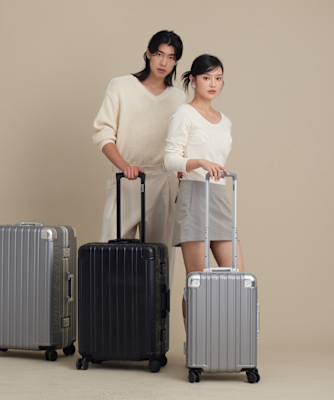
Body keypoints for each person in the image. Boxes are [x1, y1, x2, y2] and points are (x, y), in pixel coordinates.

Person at [92, 30, 186, 285]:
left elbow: (181, 144)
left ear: (176, 62)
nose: (163, 62)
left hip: (163, 181)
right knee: (110, 256)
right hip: (125, 177)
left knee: (158, 262)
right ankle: (109, 310)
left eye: (171, 57)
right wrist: (125, 166)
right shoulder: (121, 86)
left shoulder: (178, 98)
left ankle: (154, 311)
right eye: (159, 54)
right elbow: (103, 133)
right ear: (148, 53)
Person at [164, 54, 245, 321]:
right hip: (194, 196)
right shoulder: (184, 113)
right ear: (193, 80)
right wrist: (199, 162)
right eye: (206, 77)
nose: (213, 83)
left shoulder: (225, 121)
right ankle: (196, 342)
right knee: (197, 282)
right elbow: (169, 159)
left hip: (219, 197)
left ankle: (226, 339)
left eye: (218, 78)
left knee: (238, 277)